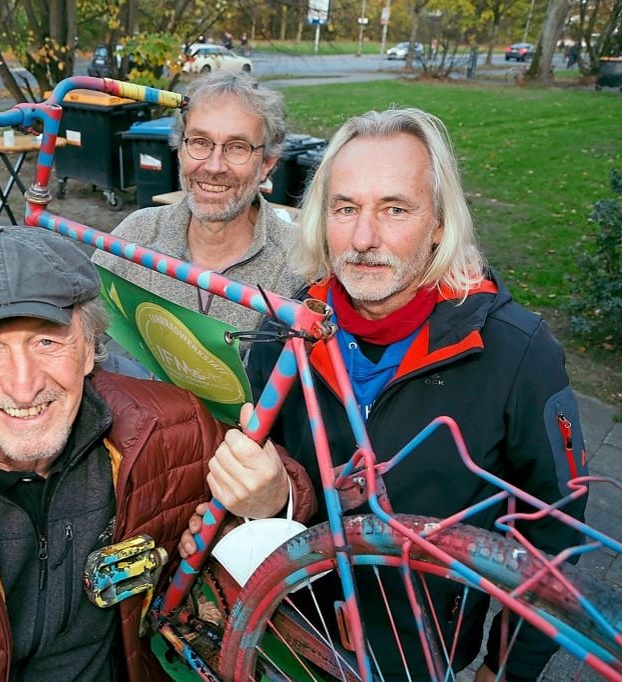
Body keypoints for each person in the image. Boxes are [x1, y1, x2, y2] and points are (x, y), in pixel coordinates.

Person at [0, 225, 314, 681]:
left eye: (47, 340)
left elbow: (285, 486)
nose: (23, 386)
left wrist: (269, 500)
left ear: (89, 349)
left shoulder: (168, 426)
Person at [217, 106, 587, 680]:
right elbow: (271, 491)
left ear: (440, 223)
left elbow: (554, 536)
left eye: (395, 209)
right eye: (345, 209)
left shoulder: (518, 355)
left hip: (426, 658)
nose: (363, 239)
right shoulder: (284, 331)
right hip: (293, 639)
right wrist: (272, 501)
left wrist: (507, 669)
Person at [91, 71, 302, 339]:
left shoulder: (299, 264)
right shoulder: (137, 234)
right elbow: (83, 330)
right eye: (200, 143)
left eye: (237, 147)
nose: (214, 167)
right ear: (180, 151)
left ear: (268, 164)